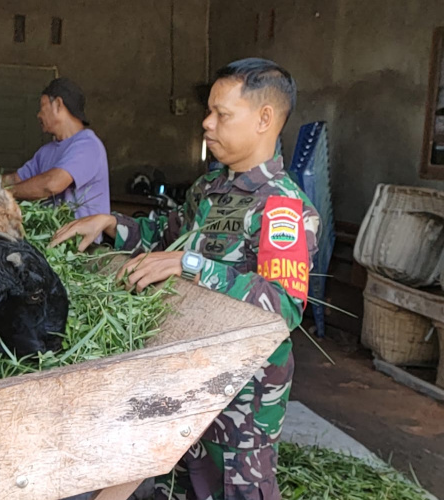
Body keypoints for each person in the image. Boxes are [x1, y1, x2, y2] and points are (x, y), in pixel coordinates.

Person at [50, 58, 320, 500]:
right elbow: (166, 235)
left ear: (264, 119)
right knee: (186, 484)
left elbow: (284, 305)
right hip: (189, 376)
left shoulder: (283, 208)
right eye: (209, 112)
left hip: (243, 397)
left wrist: (190, 266)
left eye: (222, 114)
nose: (207, 123)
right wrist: (109, 224)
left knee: (237, 489)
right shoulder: (210, 189)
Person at [3, 78, 110, 226]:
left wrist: (2, 194)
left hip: (80, 246)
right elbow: (16, 179)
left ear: (58, 105)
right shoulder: (45, 152)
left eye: (42, 107)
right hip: (49, 240)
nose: (38, 115)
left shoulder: (89, 146)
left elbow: (51, 184)